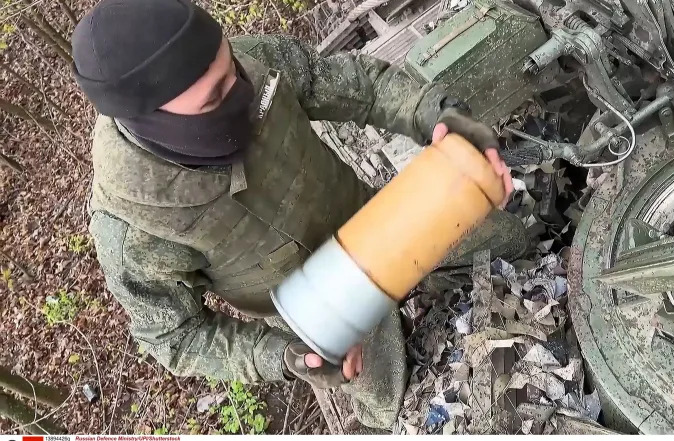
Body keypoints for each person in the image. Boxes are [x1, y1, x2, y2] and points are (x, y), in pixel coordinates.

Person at [71, 0, 527, 430]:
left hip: (382, 222)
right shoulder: (133, 227)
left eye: (233, 69)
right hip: (316, 312)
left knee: (513, 249)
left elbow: (360, 87)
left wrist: (435, 113)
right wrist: (281, 356)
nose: (240, 92)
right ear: (153, 122)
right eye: (214, 99)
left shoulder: (256, 64)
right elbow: (175, 337)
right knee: (397, 406)